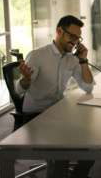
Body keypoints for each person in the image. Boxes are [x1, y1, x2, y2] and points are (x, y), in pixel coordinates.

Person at [17, 15, 95, 178]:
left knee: (93, 141)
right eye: (71, 36)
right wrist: (26, 80)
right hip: (36, 117)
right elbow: (19, 90)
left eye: (77, 38)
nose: (74, 42)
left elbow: (87, 87)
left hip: (58, 113)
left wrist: (83, 60)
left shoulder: (71, 60)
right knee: (61, 153)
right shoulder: (37, 56)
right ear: (59, 31)